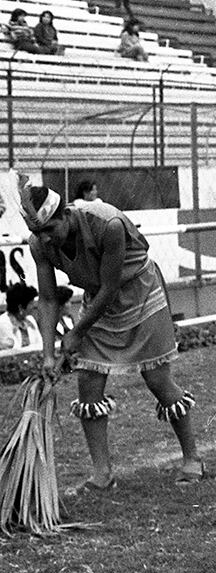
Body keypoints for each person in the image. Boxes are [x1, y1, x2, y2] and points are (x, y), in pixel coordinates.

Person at [15, 183, 204, 488]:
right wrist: (49, 353)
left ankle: (192, 458)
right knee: (88, 383)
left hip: (140, 296)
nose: (47, 238)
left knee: (157, 380)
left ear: (66, 214)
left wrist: (76, 332)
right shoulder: (40, 244)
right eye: (40, 233)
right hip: (98, 304)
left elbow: (110, 287)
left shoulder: (108, 224)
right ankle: (102, 474)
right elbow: (48, 299)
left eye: (51, 229)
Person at [0, 282, 40, 351]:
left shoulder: (30, 320)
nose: (34, 305)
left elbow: (39, 344)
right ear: (20, 307)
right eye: (31, 303)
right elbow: (12, 349)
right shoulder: (3, 323)